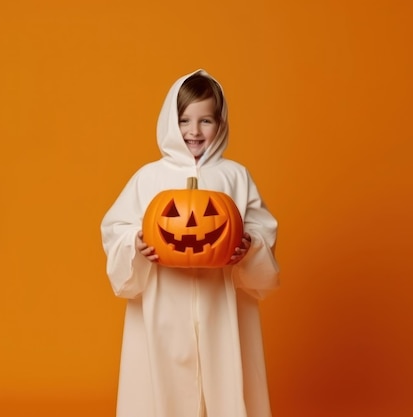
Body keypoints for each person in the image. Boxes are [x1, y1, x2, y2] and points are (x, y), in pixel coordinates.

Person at [100, 69, 279, 417]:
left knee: (225, 372)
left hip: (220, 307)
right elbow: (116, 228)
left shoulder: (235, 177)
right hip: (162, 306)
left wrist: (249, 247)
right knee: (160, 383)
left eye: (205, 120)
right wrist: (135, 245)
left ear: (221, 123)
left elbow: (262, 230)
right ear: (171, 121)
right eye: (184, 120)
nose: (193, 132)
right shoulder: (149, 177)